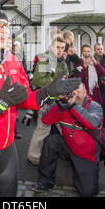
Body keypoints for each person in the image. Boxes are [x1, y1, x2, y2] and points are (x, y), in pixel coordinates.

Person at [0, 8, 80, 197]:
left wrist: (50, 92)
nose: (5, 30)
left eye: (7, 26)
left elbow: (26, 99)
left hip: (8, 149)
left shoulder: (12, 61)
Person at [31, 82, 103, 196]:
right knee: (51, 141)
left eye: (78, 91)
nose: (75, 94)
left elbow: (92, 123)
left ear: (85, 93)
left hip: (86, 153)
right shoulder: (64, 106)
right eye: (72, 91)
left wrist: (73, 106)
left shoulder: (95, 106)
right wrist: (58, 102)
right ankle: (46, 181)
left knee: (88, 192)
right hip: (69, 146)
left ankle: (86, 173)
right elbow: (45, 120)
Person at [27, 36, 69, 165]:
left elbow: (65, 78)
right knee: (42, 130)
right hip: (47, 102)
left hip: (59, 103)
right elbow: (38, 80)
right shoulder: (45, 60)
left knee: (64, 129)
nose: (60, 50)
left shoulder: (62, 62)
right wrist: (56, 85)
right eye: (57, 47)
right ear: (51, 47)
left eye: (62, 48)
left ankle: (65, 153)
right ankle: (33, 157)